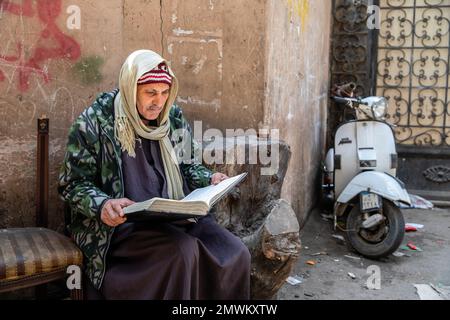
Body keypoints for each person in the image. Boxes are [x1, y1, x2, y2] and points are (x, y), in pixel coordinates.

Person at [58, 49, 251, 300]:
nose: (158, 102)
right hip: (122, 229)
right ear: (130, 88)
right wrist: (103, 205)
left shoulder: (172, 117)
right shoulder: (94, 123)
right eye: (150, 93)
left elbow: (188, 165)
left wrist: (210, 179)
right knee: (182, 253)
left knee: (236, 252)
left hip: (176, 218)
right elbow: (72, 184)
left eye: (164, 92)